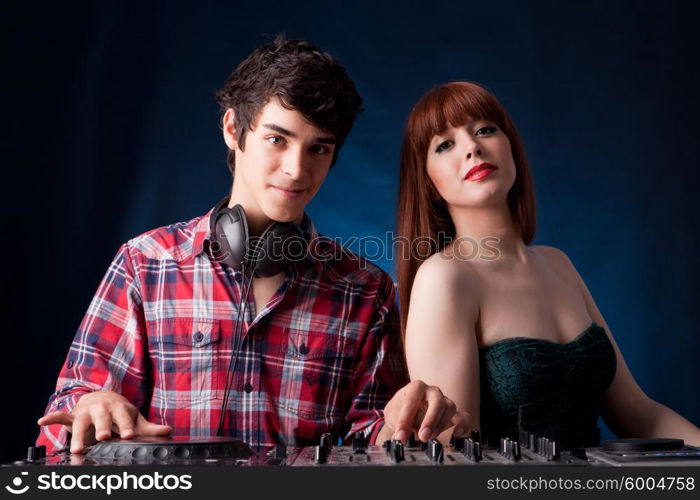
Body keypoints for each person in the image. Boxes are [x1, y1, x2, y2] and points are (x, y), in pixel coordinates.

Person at [37, 37, 467, 455]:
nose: (297, 170)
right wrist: (90, 406)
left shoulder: (366, 291)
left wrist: (403, 423)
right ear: (232, 129)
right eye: (277, 139)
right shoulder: (145, 263)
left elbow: (376, 438)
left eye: (318, 148)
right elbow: (67, 420)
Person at [396, 81, 700, 449]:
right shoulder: (444, 278)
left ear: (510, 147)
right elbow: (453, 450)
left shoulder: (558, 264)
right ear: (428, 183)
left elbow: (639, 414)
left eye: (484, 130)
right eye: (445, 145)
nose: (472, 148)